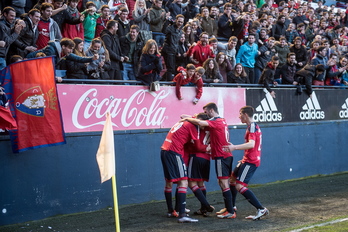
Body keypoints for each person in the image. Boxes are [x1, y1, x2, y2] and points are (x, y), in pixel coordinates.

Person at [182, 102, 236, 219]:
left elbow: (200, 122)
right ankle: (229, 208)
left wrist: (187, 118)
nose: (206, 114)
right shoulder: (222, 120)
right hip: (222, 154)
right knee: (222, 182)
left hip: (220, 155)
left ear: (211, 111)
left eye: (206, 111)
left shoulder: (214, 122)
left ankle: (229, 211)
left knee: (223, 183)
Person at [222, 105, 269, 221]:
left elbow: (251, 144)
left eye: (240, 114)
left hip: (251, 161)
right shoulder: (251, 126)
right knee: (232, 180)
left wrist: (234, 147)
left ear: (245, 115)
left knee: (239, 186)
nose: (239, 117)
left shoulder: (252, 126)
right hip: (246, 159)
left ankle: (261, 209)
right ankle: (231, 208)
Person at [160, 117, 202, 223]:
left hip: (165, 151)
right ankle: (182, 215)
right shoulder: (193, 126)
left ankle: (171, 210)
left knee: (169, 182)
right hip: (174, 153)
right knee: (183, 181)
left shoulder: (184, 122)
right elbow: (196, 145)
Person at [162, 14, 185, 81]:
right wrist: (167, 21)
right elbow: (164, 31)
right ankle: (169, 82)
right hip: (168, 50)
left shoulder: (180, 31)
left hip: (174, 51)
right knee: (170, 68)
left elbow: (177, 42)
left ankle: (162, 79)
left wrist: (177, 51)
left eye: (181, 22)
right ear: (176, 21)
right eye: (179, 21)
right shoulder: (171, 28)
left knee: (173, 68)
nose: (180, 23)